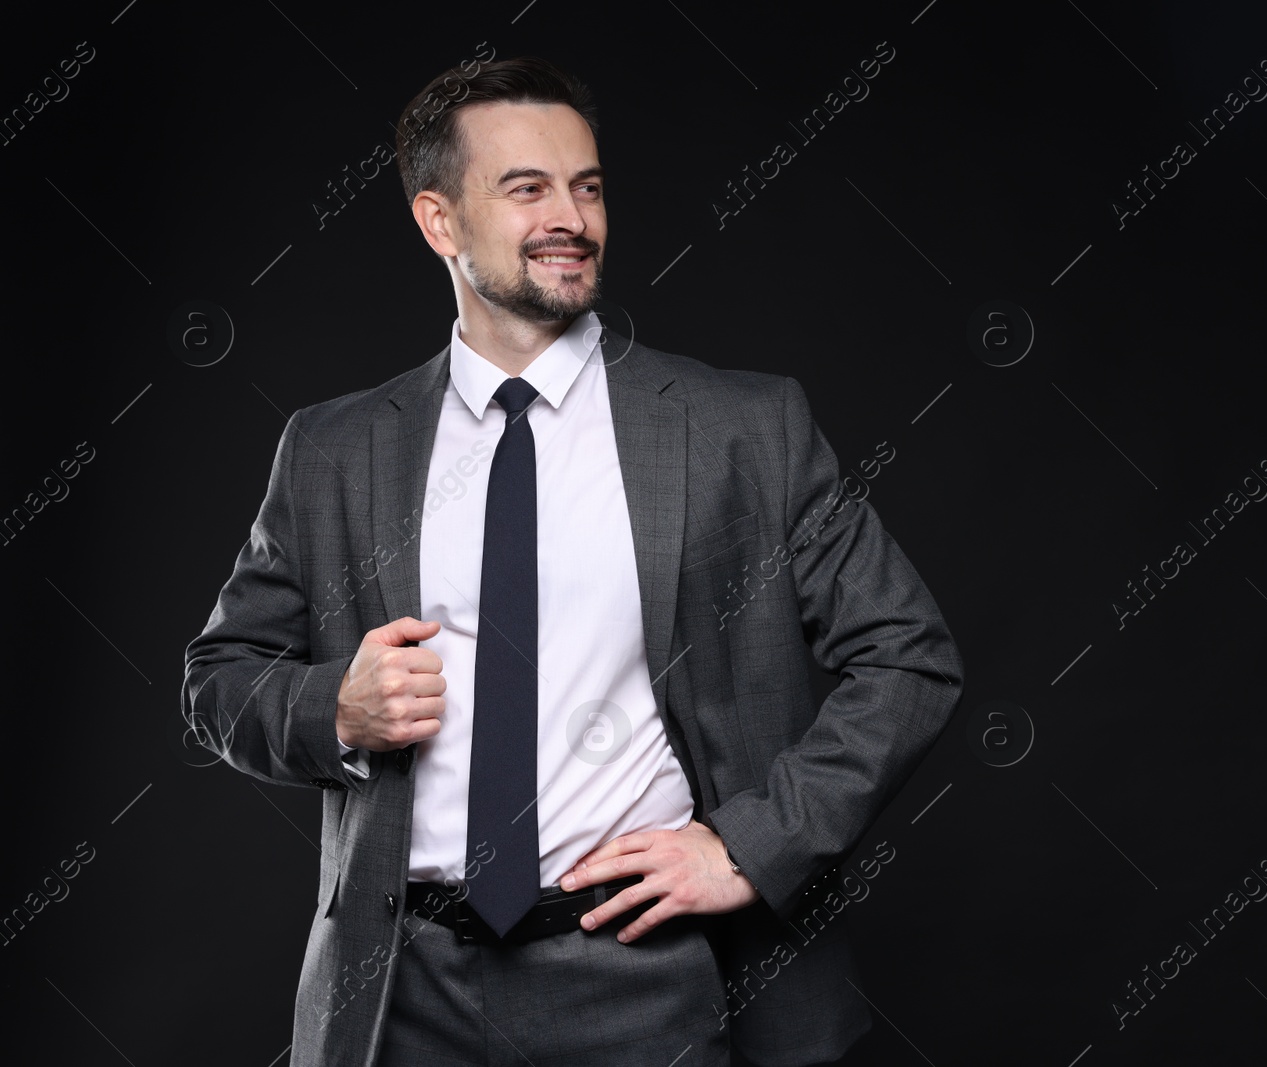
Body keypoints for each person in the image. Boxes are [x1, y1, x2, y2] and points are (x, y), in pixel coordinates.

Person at [181, 55, 963, 1067]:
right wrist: (334, 707)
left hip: (644, 978)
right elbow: (216, 682)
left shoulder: (742, 429)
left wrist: (748, 843)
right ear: (439, 221)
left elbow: (909, 655)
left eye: (587, 187)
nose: (573, 217)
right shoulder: (332, 449)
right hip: (397, 995)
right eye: (528, 188)